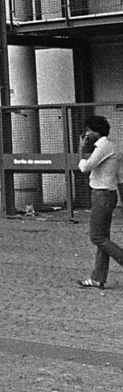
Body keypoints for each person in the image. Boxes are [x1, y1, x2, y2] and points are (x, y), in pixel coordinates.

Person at [77, 114, 123, 288]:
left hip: (101, 194)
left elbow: (85, 167)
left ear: (97, 132)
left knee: (97, 237)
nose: (87, 134)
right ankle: (98, 277)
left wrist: (81, 149)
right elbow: (120, 176)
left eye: (89, 130)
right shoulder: (113, 147)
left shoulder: (103, 147)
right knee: (103, 238)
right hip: (109, 194)